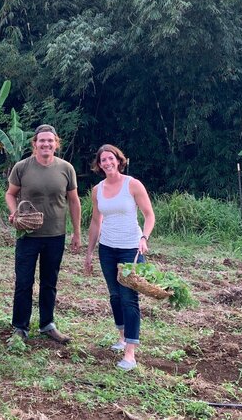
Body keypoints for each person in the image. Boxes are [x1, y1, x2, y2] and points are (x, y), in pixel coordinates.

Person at [5, 124, 82, 344]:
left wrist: (76, 233)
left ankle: (47, 324)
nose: (46, 144)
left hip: (55, 235)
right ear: (35, 144)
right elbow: (10, 194)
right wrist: (14, 213)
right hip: (28, 235)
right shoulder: (22, 167)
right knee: (24, 282)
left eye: (50, 141)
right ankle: (20, 327)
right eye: (42, 141)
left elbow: (74, 201)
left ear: (56, 143)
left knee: (49, 282)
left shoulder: (66, 168)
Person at [83, 144, 155, 371]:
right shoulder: (97, 190)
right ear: (99, 164)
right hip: (107, 249)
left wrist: (144, 237)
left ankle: (130, 353)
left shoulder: (132, 185)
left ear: (118, 160)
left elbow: (149, 214)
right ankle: (122, 337)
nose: (107, 163)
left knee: (129, 298)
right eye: (103, 160)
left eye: (111, 158)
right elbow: (96, 222)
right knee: (115, 295)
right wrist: (89, 252)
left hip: (130, 249)